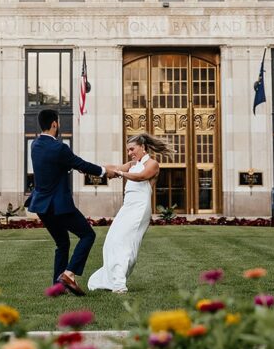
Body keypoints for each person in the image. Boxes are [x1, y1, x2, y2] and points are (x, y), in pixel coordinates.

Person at [26, 108, 116, 295]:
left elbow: (56, 167)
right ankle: (68, 274)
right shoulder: (59, 147)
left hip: (42, 206)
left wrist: (70, 167)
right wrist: (103, 171)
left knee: (62, 243)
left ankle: (57, 287)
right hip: (58, 205)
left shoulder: (35, 146)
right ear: (54, 124)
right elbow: (79, 163)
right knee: (87, 235)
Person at [87, 132, 169, 294]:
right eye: (128, 150)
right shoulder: (132, 164)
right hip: (127, 207)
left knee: (125, 244)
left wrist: (121, 173)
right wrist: (95, 169)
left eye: (132, 149)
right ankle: (112, 279)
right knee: (112, 240)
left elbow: (140, 177)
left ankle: (119, 284)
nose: (130, 153)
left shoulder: (152, 164)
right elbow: (113, 170)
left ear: (142, 147)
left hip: (140, 208)